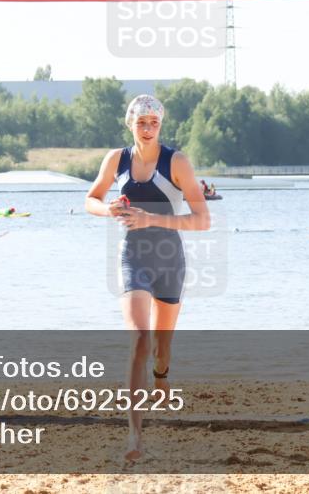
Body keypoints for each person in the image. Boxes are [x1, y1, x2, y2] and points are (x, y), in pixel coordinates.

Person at [85, 94, 211, 463]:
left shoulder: (177, 162)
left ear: (161, 124)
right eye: (141, 122)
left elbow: (202, 220)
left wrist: (151, 219)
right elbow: (90, 199)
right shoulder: (116, 159)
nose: (147, 128)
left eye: (153, 122)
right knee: (139, 338)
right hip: (133, 257)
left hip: (170, 260)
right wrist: (108, 209)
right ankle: (134, 434)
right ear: (130, 124)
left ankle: (162, 374)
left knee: (161, 345)